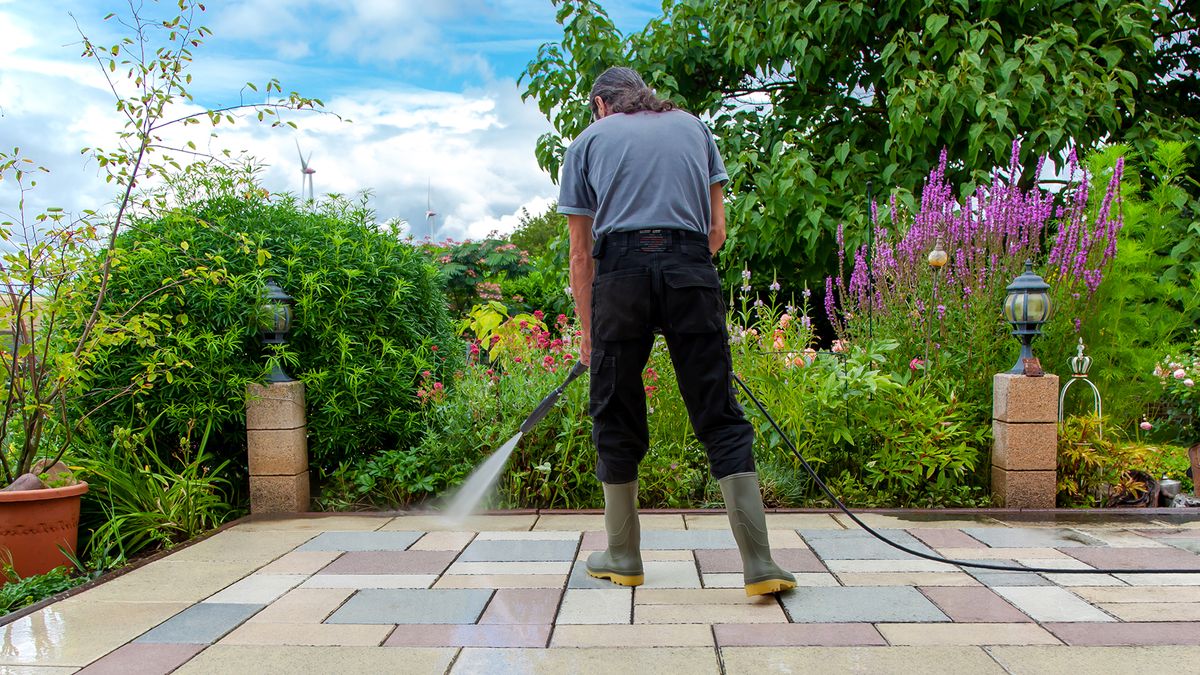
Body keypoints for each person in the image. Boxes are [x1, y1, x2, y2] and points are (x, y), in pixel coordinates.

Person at [557, 66, 796, 597]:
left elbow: (579, 253)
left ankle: (623, 554)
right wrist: (676, 270)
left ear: (601, 104)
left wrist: (589, 330)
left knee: (614, 409)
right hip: (691, 268)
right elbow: (716, 232)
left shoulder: (588, 142)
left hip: (619, 276)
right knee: (719, 412)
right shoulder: (694, 128)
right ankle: (759, 564)